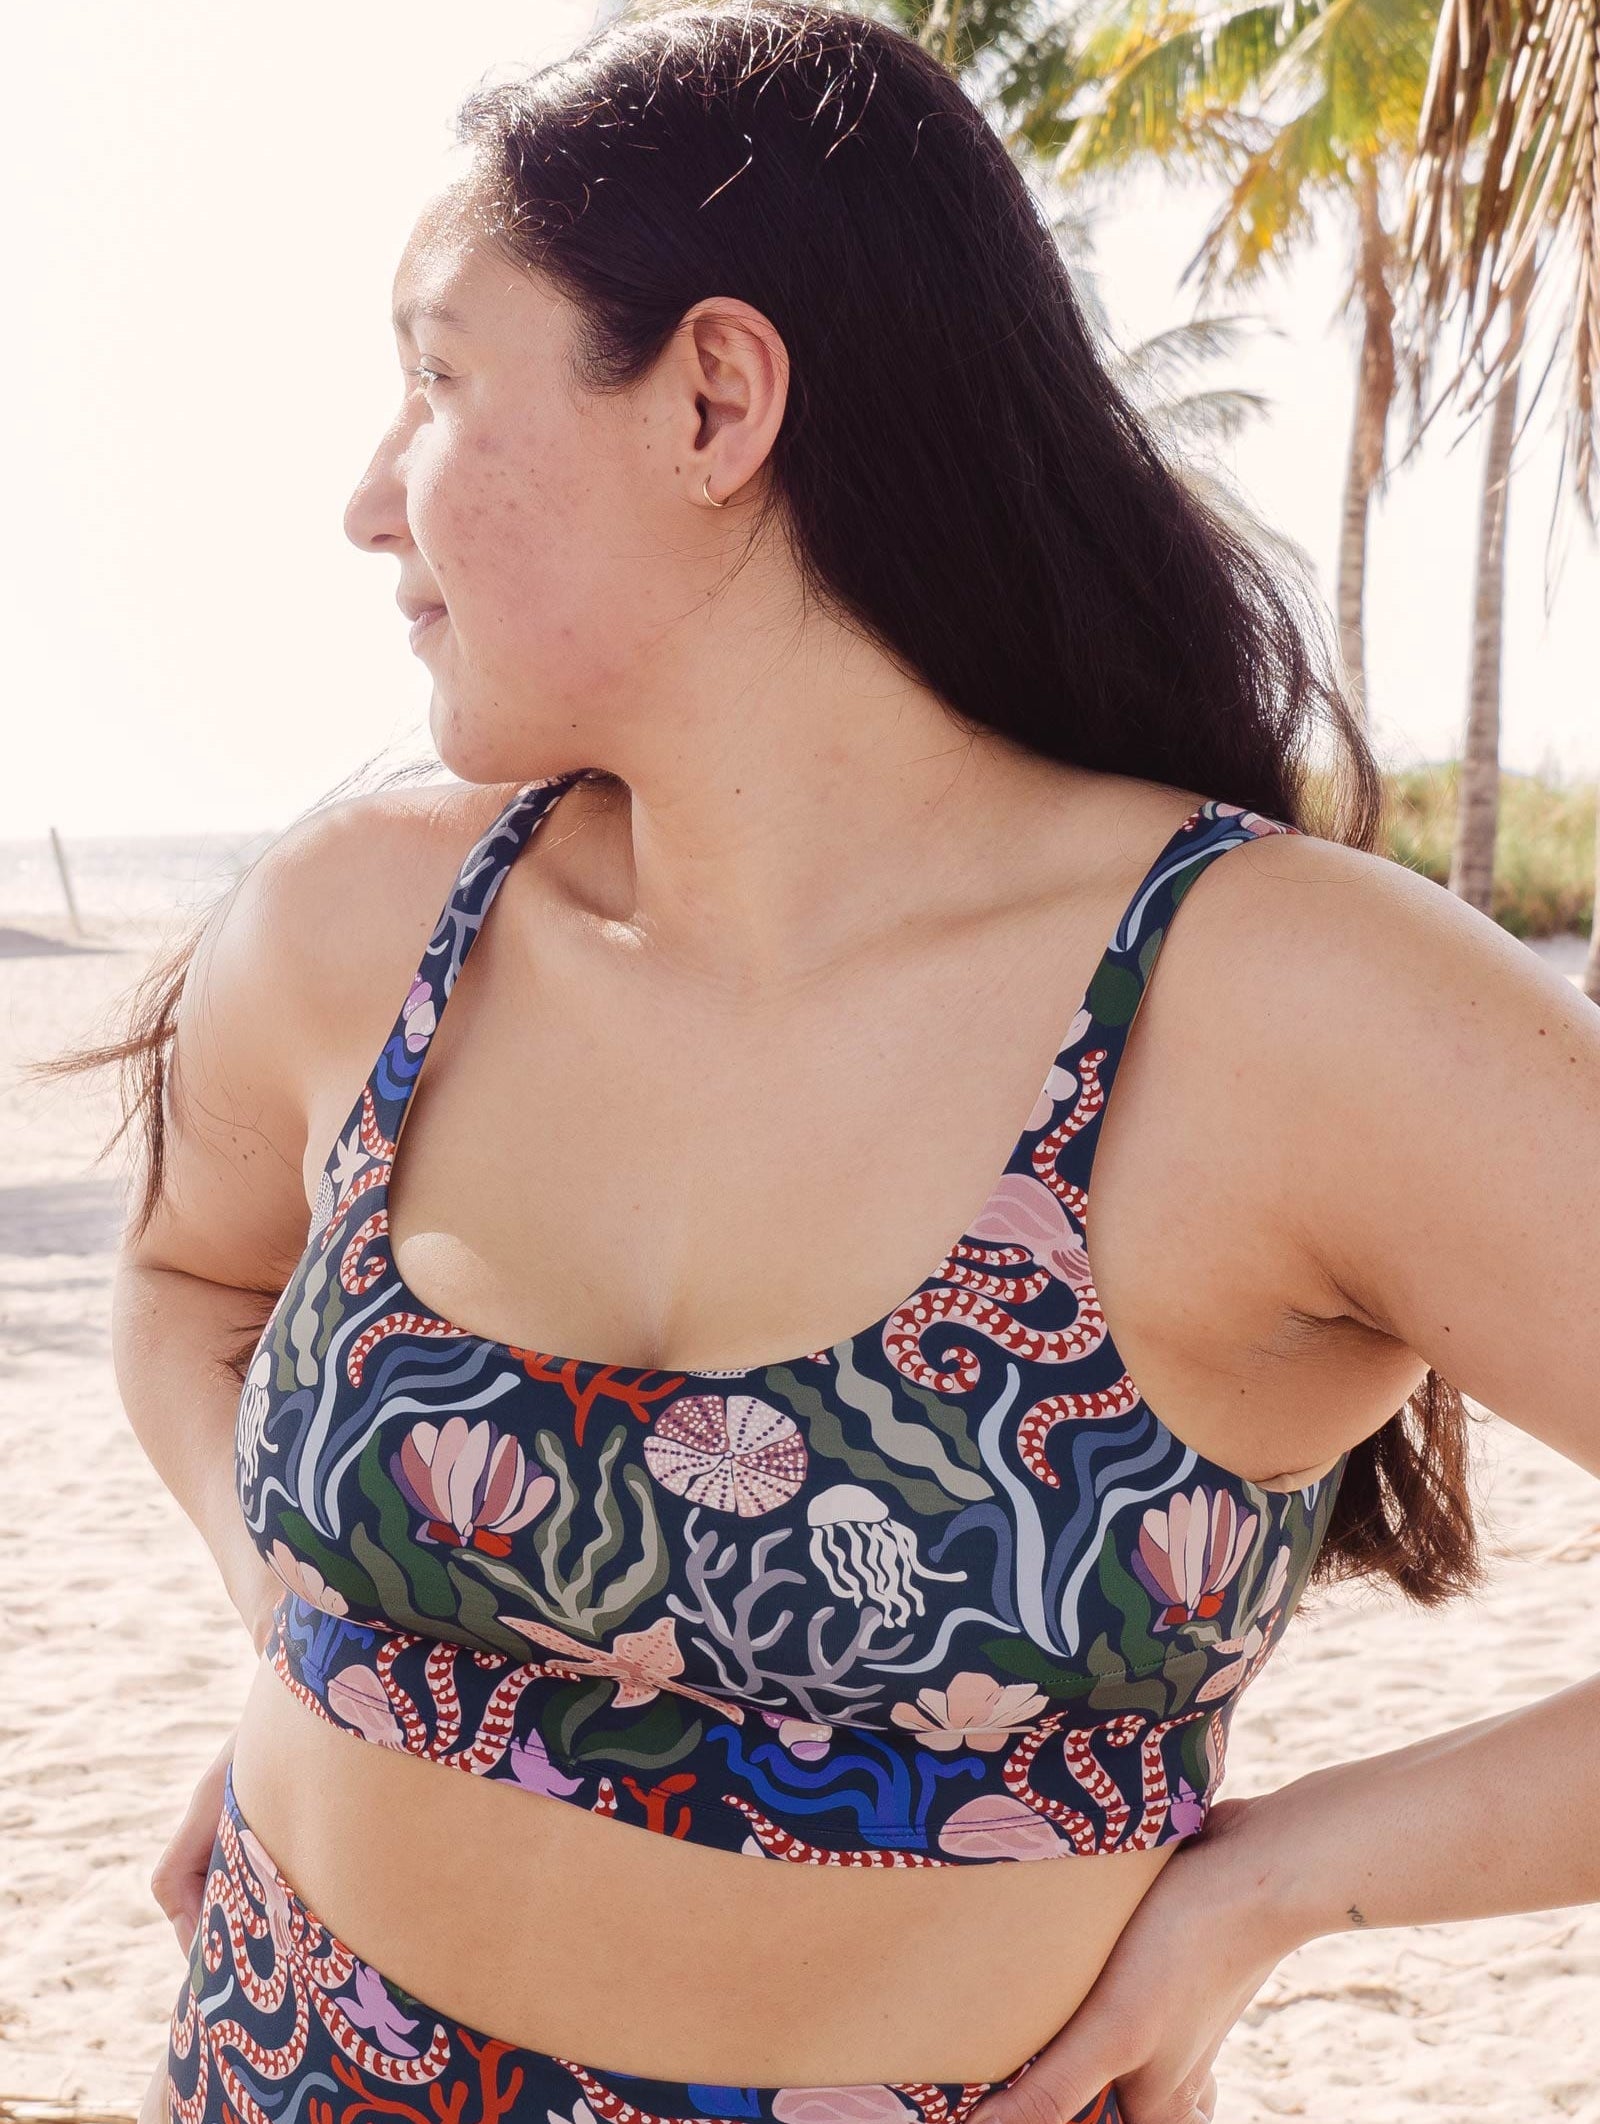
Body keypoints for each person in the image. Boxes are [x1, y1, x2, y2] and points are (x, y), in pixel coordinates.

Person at [43, 3, 1594, 2119]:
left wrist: (1272, 1888)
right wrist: (288, 1618)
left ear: (710, 397)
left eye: (431, 380)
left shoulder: (1279, 1010)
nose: (360, 503)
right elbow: (185, 1285)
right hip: (281, 2061)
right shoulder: (366, 927)